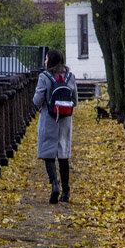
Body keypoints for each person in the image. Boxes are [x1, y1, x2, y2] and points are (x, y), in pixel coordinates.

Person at [33, 49, 77, 203]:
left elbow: (37, 100)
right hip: (65, 120)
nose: (44, 62)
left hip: (49, 119)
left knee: (48, 154)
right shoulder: (70, 76)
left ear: (50, 61)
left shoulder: (44, 77)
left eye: (46, 59)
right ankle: (66, 192)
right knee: (63, 155)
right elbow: (75, 101)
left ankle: (54, 184)